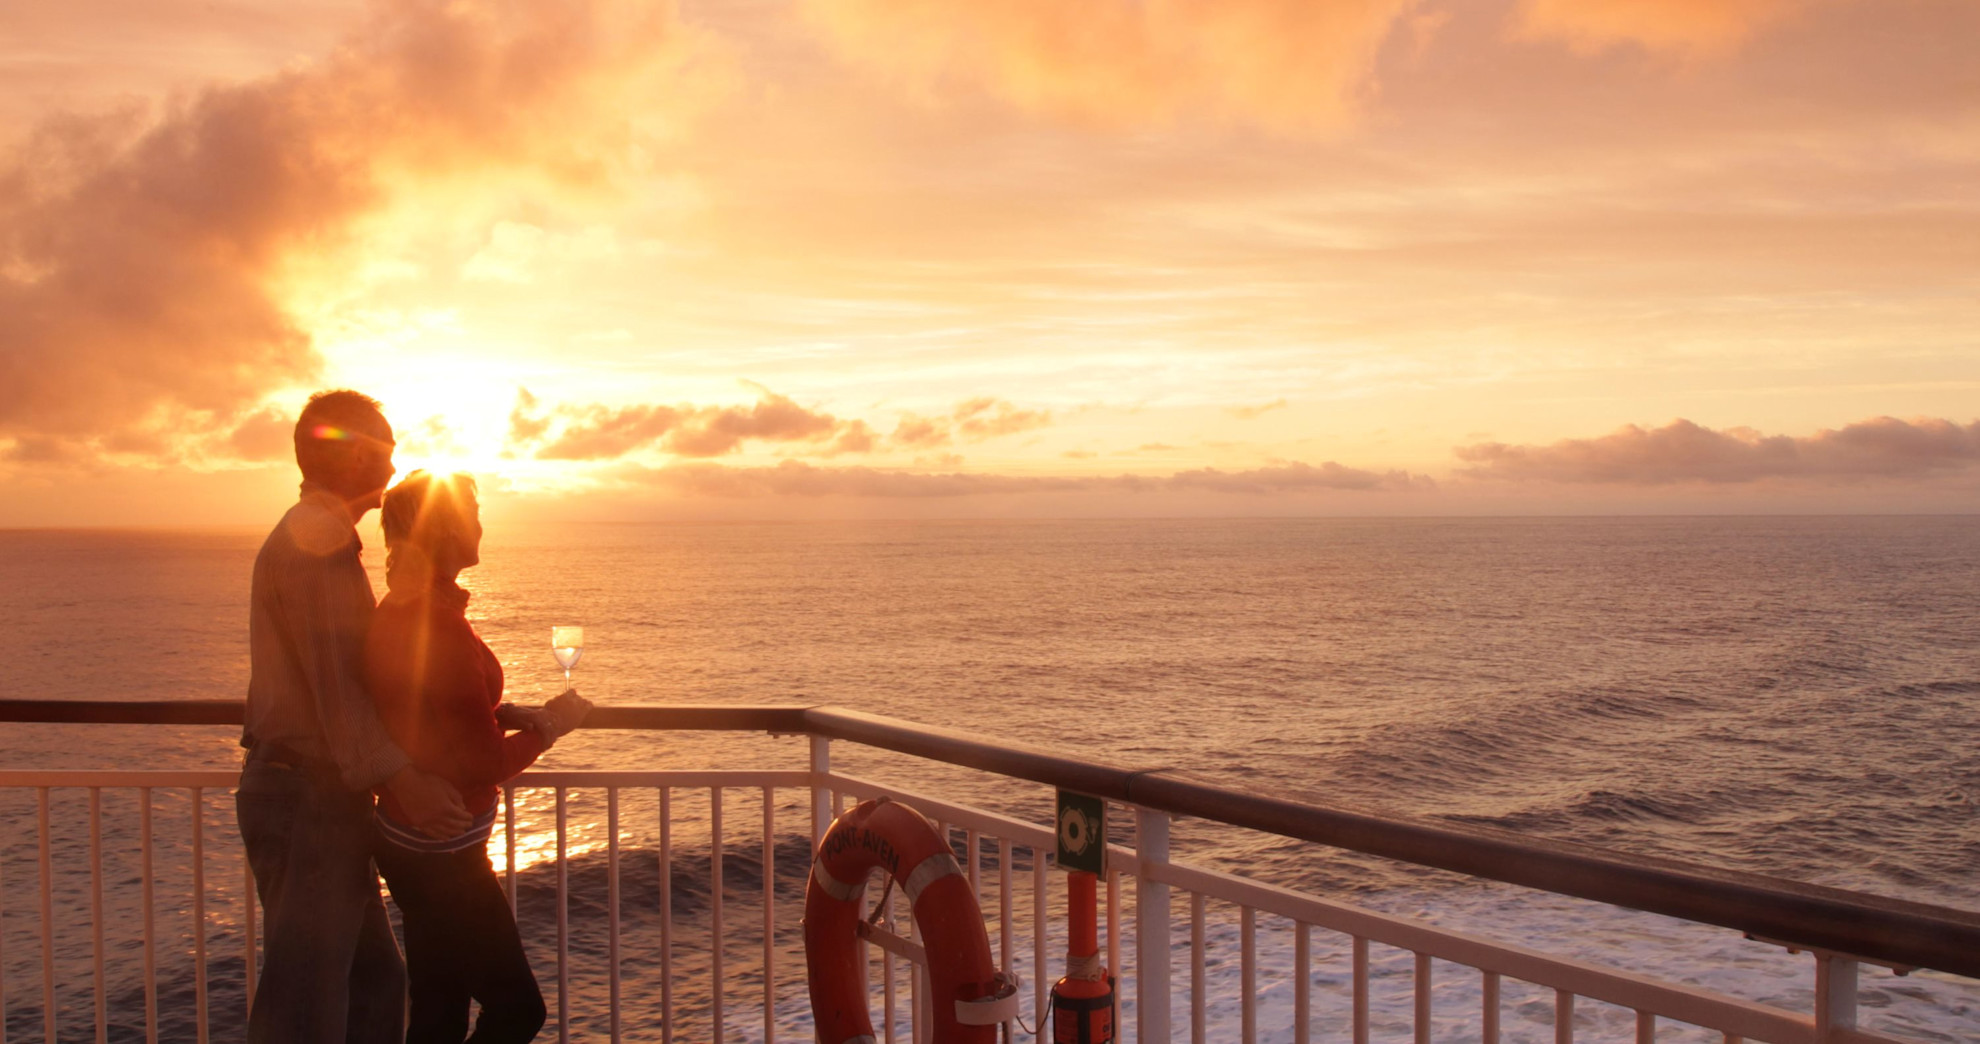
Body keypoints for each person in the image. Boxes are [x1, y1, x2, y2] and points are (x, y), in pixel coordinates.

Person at [237, 390, 474, 1044]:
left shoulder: (317, 535)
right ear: (355, 455)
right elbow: (338, 688)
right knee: (304, 1008)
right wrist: (406, 780)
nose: (393, 471)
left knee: (374, 984)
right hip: (306, 796)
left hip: (315, 795)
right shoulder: (317, 541)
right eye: (386, 453)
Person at [366, 470, 591, 1044]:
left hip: (411, 843)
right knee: (517, 1011)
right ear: (444, 530)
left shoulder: (408, 603)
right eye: (472, 513)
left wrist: (499, 709)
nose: (482, 526)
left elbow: (423, 710)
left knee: (439, 1011)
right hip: (444, 855)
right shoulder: (437, 623)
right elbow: (484, 764)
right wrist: (553, 728)